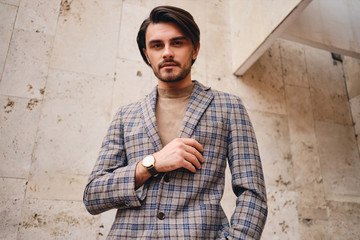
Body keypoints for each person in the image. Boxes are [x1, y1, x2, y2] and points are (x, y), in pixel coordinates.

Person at [83, 5, 267, 239]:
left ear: (195, 49)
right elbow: (92, 196)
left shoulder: (228, 107)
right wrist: (152, 164)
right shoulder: (126, 115)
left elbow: (253, 193)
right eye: (157, 45)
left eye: (177, 43)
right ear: (147, 54)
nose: (167, 52)